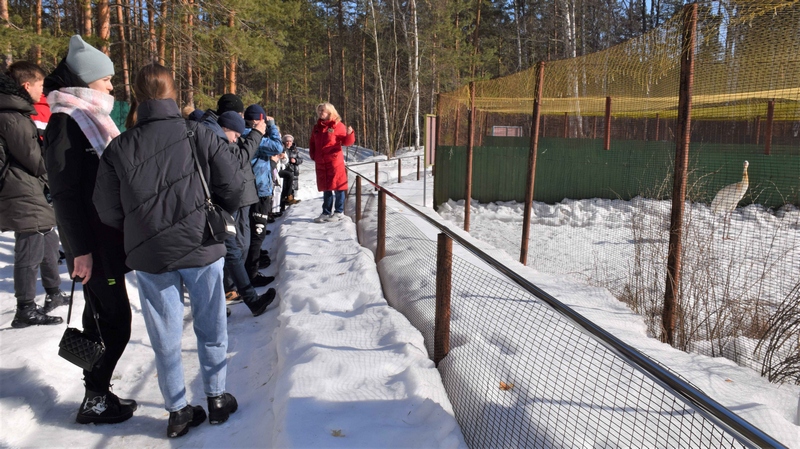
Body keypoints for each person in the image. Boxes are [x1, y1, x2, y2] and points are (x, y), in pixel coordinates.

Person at [93, 63, 256, 438]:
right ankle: (216, 398)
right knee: (211, 326)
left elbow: (106, 209)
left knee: (164, 333)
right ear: (172, 93)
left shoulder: (119, 147)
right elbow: (233, 185)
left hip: (151, 255)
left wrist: (140, 227)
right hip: (202, 246)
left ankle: (178, 411)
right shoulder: (198, 133)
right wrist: (216, 211)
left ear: (136, 95)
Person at [43, 34, 136, 424]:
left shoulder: (86, 116)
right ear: (85, 82)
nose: (112, 86)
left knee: (99, 318)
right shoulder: (67, 122)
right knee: (116, 321)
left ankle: (97, 394)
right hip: (94, 245)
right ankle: (95, 398)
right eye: (106, 80)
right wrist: (80, 249)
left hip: (104, 240)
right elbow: (64, 194)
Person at [0, 63, 67, 328]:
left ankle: (51, 294)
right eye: (40, 85)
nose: (43, 91)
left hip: (27, 188)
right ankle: (25, 309)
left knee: (46, 239)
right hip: (21, 189)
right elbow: (36, 161)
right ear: (26, 86)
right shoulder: (11, 117)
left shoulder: (15, 114)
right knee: (29, 250)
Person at [216, 110, 277, 310]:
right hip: (239, 197)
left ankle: (244, 289)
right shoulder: (244, 138)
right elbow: (274, 146)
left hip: (245, 194)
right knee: (240, 245)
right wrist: (268, 129)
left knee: (241, 245)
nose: (237, 138)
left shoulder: (229, 139)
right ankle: (241, 285)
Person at [242, 104, 279, 287]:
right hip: (258, 190)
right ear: (258, 120)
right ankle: (252, 274)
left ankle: (251, 265)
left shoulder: (243, 133)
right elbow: (277, 146)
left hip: (253, 188)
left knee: (251, 231)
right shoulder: (254, 137)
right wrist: (272, 126)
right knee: (256, 232)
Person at [309, 102, 355, 223]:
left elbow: (346, 142)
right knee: (326, 187)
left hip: (334, 161)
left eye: (322, 110)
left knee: (338, 186)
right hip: (321, 162)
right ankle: (326, 212)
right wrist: (313, 155)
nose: (320, 113)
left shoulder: (338, 126)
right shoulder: (317, 128)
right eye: (319, 111)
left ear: (330, 112)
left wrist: (350, 134)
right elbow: (312, 142)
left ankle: (339, 212)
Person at [280, 134, 302, 206]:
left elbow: (301, 160)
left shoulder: (295, 150)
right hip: (284, 171)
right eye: (287, 141)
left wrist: (295, 160)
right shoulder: (282, 149)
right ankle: (281, 207)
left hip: (294, 172)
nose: (288, 143)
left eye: (290, 141)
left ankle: (290, 206)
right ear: (284, 142)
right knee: (283, 190)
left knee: (291, 190)